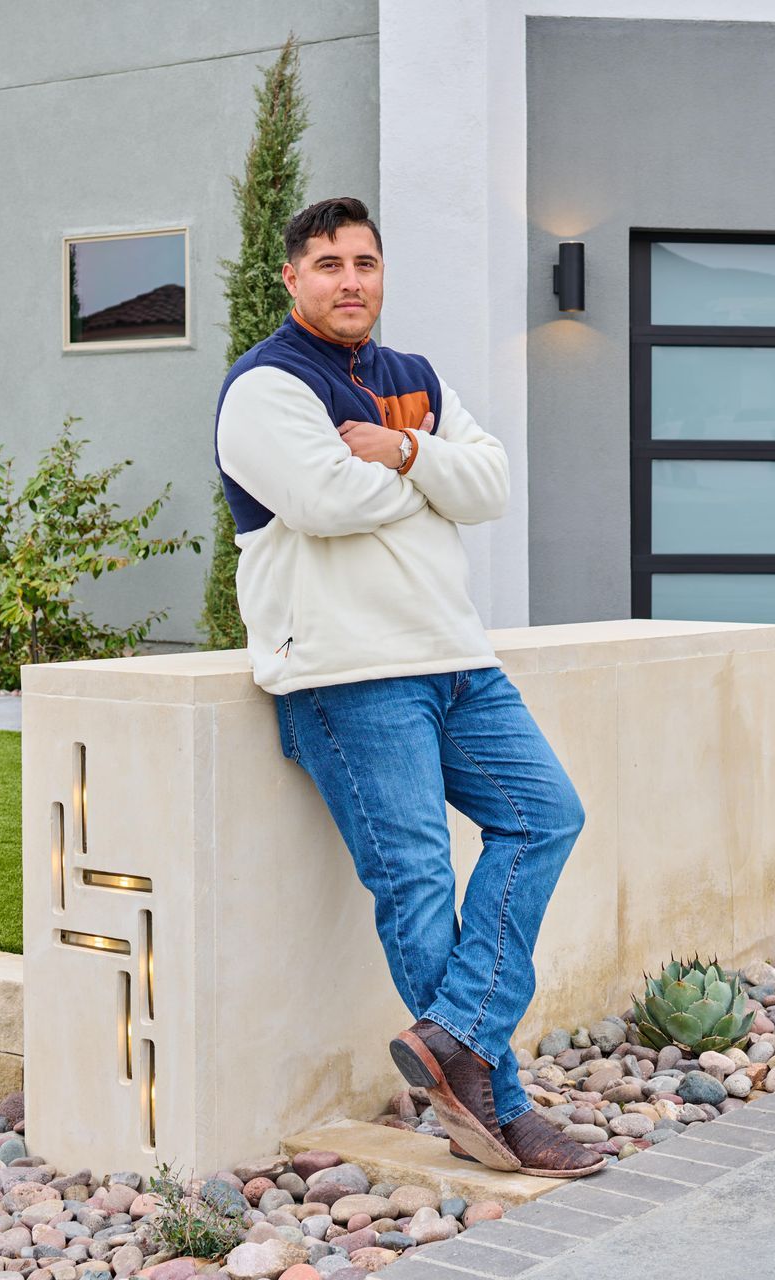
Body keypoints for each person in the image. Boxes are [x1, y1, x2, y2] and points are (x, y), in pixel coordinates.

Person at [212, 196, 604, 1179]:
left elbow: (492, 486)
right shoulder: (264, 386)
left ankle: (454, 1034)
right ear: (292, 277)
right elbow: (324, 500)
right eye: (329, 263)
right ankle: (500, 1110)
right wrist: (435, 479)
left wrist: (403, 449)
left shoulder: (413, 378)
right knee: (418, 880)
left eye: (366, 263)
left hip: (455, 657)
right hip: (348, 671)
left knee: (546, 815)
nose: (351, 280)